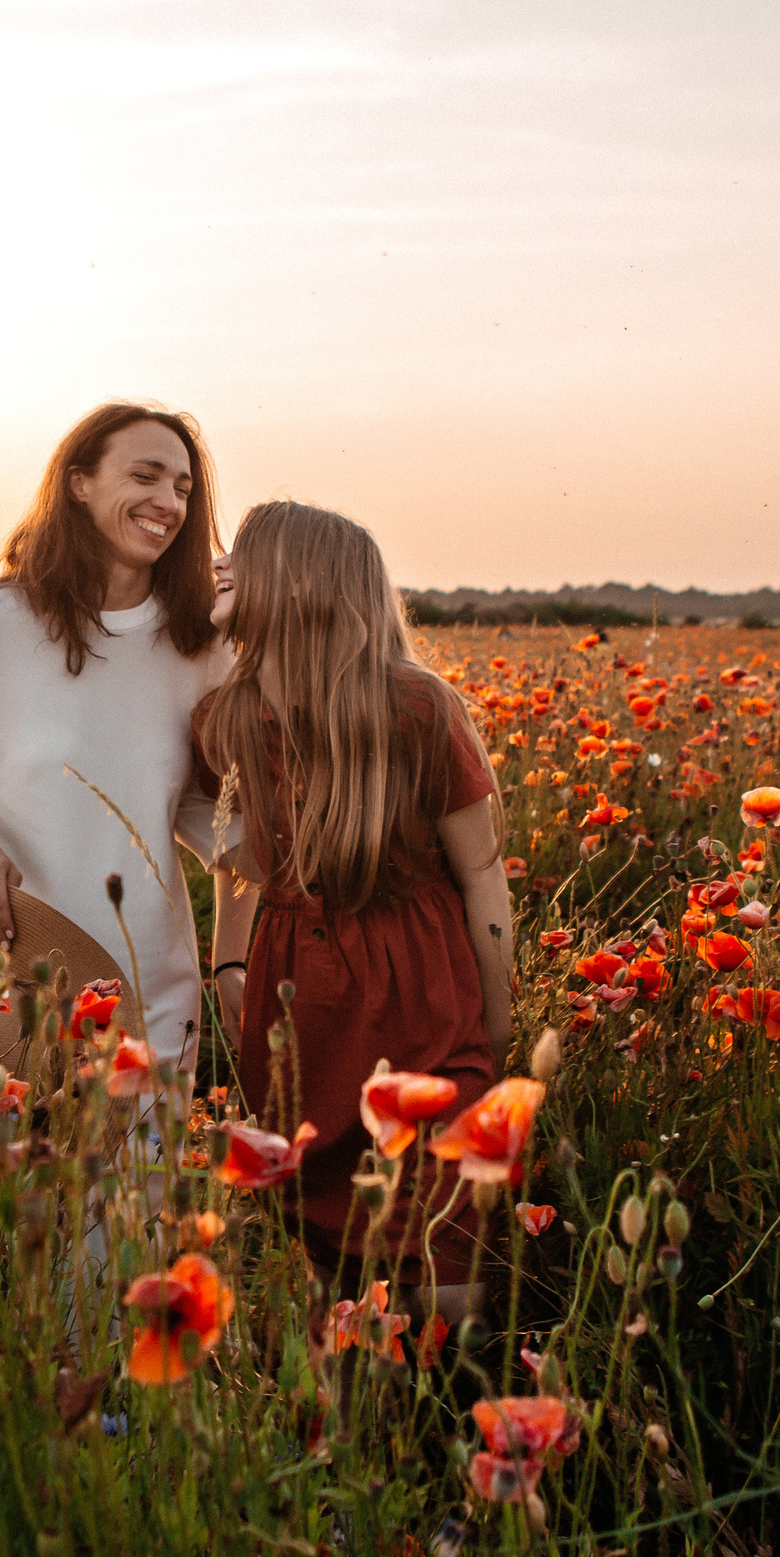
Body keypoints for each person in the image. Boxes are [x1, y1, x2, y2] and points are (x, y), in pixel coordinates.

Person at [195, 502, 514, 1318]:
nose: (221, 567)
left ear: (300, 583)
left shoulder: (418, 708)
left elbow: (483, 876)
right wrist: (228, 961)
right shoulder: (229, 715)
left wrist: (496, 1031)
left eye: (243, 556)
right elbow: (237, 851)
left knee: (447, 1277)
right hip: (299, 1008)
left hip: (421, 1003)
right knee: (317, 1272)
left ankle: (443, 1395)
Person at [0, 402, 250, 1085]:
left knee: (145, 1159)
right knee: (25, 1153)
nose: (169, 502)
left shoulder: (200, 645)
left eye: (183, 488)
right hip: (19, 966)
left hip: (155, 986)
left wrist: (231, 960)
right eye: (145, 476)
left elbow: (222, 822)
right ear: (79, 482)